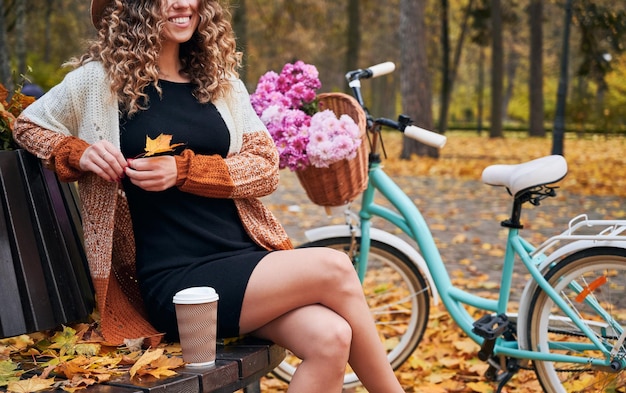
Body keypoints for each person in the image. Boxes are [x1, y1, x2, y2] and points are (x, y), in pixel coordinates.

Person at [14, 1, 406, 392]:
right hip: (175, 279)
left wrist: (184, 171)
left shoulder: (221, 84)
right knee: (335, 268)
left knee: (332, 337)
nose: (182, 3)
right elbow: (29, 126)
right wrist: (78, 153)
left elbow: (265, 166)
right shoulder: (98, 83)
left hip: (241, 260)